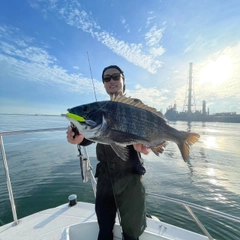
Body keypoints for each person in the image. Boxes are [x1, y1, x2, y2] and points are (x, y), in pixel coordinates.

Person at [66, 65, 151, 240]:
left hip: (131, 177)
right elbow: (91, 136)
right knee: (104, 229)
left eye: (115, 77)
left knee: (131, 233)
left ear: (123, 80)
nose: (111, 81)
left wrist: (147, 147)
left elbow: (148, 140)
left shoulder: (136, 107)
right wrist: (77, 138)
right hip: (105, 178)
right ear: (104, 84)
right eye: (106, 78)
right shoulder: (100, 111)